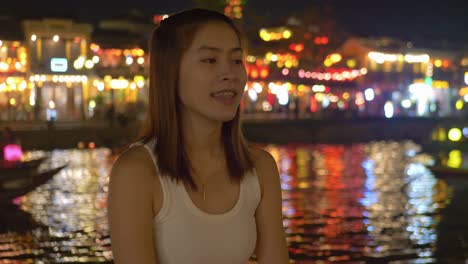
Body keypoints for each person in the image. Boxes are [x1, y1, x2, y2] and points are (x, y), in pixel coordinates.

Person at [107, 8, 289, 264]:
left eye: (237, 60)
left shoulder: (260, 168)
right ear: (171, 72)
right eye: (210, 60)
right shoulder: (137, 172)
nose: (230, 74)